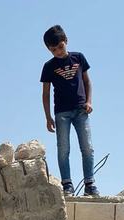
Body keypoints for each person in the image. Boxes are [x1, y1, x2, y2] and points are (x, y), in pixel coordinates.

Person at [40, 25, 97, 196]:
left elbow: (87, 82)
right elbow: (45, 94)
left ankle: (90, 184)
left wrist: (89, 101)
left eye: (60, 47)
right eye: (53, 50)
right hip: (61, 113)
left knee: (87, 147)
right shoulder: (48, 66)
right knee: (63, 149)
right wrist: (48, 117)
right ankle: (67, 184)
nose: (58, 51)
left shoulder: (78, 58)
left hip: (81, 110)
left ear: (66, 41)